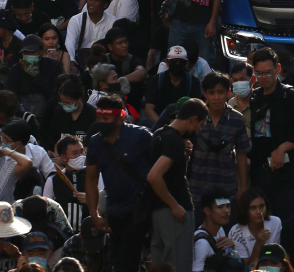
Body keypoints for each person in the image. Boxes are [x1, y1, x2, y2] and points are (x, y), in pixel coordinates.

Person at [85, 94, 153, 272]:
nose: (101, 122)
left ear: (119, 117)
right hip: (114, 211)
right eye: (99, 118)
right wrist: (94, 213)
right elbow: (91, 179)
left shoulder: (141, 136)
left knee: (127, 261)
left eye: (106, 118)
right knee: (116, 258)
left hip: (138, 210)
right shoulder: (95, 142)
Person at [249, 47, 294, 222]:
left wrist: (283, 148)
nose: (264, 77)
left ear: (277, 69)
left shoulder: (289, 96)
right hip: (261, 173)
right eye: (259, 73)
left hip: (287, 174)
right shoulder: (255, 97)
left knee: (287, 222)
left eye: (268, 72)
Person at [147, 97, 208, 272]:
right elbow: (154, 176)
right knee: (178, 264)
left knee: (161, 265)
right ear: (193, 119)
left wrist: (185, 157)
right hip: (174, 213)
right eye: (200, 125)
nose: (198, 130)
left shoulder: (160, 134)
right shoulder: (174, 141)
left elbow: (170, 174)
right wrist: (174, 205)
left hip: (159, 212)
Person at [189, 70, 249, 219]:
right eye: (211, 93)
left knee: (225, 234)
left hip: (226, 185)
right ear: (205, 94)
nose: (216, 97)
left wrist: (243, 186)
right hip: (197, 185)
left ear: (228, 93)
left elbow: (241, 154)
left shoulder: (237, 119)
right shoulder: (194, 116)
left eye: (220, 92)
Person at [8, 32, 63, 119]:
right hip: (23, 114)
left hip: (48, 113)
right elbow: (13, 96)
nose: (29, 55)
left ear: (41, 52)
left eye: (33, 52)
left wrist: (37, 76)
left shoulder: (54, 66)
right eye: (26, 52)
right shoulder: (15, 70)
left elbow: (54, 94)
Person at [63, 0, 116, 72]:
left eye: (96, 0)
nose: (91, 3)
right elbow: (70, 43)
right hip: (80, 61)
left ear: (105, 5)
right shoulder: (76, 19)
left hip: (103, 64)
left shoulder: (112, 21)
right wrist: (72, 62)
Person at [144, 46, 203, 122]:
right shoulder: (156, 80)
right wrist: (162, 125)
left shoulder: (193, 82)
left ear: (186, 63)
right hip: (160, 122)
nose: (177, 64)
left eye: (181, 62)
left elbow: (196, 109)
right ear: (167, 63)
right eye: (174, 61)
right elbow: (148, 108)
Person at [43, 135, 88, 232]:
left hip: (88, 231)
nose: (80, 156)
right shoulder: (53, 179)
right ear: (63, 157)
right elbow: (46, 207)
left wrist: (91, 199)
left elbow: (104, 203)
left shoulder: (95, 176)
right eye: (75, 153)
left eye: (81, 152)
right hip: (62, 233)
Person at [229, 188, 282, 265]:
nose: (259, 212)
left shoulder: (275, 222)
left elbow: (275, 257)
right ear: (245, 210)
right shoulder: (236, 232)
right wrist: (258, 245)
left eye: (261, 206)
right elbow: (246, 267)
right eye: (253, 208)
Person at [192, 187, 236, 272]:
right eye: (220, 207)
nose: (226, 211)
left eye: (228, 206)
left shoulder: (220, 230)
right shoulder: (202, 243)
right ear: (207, 211)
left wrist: (232, 248)